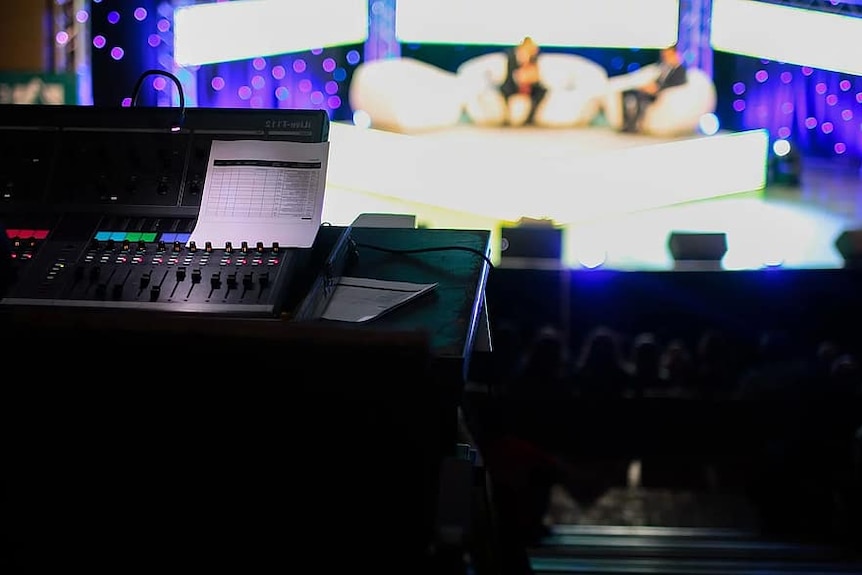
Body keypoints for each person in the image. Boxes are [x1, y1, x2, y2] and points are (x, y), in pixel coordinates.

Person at [620, 44, 687, 133]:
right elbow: (658, 81)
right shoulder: (664, 68)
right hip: (655, 91)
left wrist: (658, 89)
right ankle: (629, 124)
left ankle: (635, 125)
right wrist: (650, 86)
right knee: (631, 93)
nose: (665, 57)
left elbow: (675, 84)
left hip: (663, 94)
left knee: (641, 98)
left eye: (667, 54)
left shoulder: (680, 70)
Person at [499, 36, 547, 126]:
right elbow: (511, 75)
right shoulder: (512, 57)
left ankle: (530, 118)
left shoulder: (534, 58)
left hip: (530, 85)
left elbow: (536, 75)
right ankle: (506, 118)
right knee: (504, 90)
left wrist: (529, 78)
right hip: (513, 84)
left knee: (542, 91)